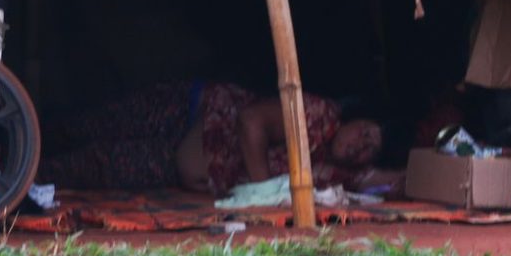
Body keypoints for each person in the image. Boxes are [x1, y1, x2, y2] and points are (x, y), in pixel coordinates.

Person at [37, 81, 382, 196]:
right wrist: (263, 192)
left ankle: (13, 176)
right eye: (365, 132)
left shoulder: (333, 171)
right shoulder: (319, 115)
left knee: (92, 167)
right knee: (82, 129)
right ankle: (10, 142)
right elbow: (251, 121)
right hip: (185, 114)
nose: (360, 145)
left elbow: (388, 182)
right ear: (355, 116)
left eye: (369, 149)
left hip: (177, 162)